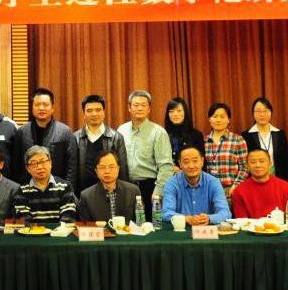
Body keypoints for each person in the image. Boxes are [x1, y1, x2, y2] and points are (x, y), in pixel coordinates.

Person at [117, 90, 175, 220]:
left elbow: (166, 166)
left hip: (149, 187)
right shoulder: (121, 130)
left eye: (143, 105)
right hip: (126, 186)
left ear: (149, 109)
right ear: (129, 108)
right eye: (136, 105)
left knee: (149, 226)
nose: (139, 108)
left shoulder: (158, 132)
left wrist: (159, 191)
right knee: (127, 225)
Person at [15, 87, 77, 183]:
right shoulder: (22, 132)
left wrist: (68, 188)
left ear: (52, 108)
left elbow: (72, 167)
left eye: (45, 104)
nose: (41, 108)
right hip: (28, 187)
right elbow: (16, 165)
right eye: (37, 104)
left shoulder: (65, 132)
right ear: (32, 108)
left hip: (58, 187)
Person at [73, 94, 130, 194]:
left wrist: (122, 194)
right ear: (84, 114)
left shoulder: (116, 137)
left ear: (104, 112)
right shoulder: (75, 138)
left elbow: (123, 171)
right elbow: (72, 171)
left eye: (98, 110)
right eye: (89, 110)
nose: (94, 114)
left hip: (110, 191)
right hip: (82, 193)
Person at [161, 145, 232, 225]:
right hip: (181, 230)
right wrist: (186, 219)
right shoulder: (172, 184)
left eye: (195, 161)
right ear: (180, 164)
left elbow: (226, 213)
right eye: (186, 162)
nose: (191, 166)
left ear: (202, 161)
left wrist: (209, 218)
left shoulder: (213, 183)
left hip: (206, 230)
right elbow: (166, 213)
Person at [11, 146, 77, 224]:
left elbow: (68, 217)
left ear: (50, 163)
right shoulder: (22, 191)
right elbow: (24, 220)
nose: (39, 167)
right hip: (32, 231)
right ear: (28, 168)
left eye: (42, 162)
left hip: (60, 231)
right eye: (34, 163)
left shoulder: (65, 187)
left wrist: (56, 230)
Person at [76, 149, 141, 222]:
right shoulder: (86, 196)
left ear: (118, 169)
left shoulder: (133, 191)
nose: (107, 171)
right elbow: (86, 226)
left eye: (111, 167)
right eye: (102, 167)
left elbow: (140, 221)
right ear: (96, 171)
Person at [230, 148, 288, 219]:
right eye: (253, 162)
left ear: (270, 163)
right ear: (247, 166)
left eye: (262, 161)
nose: (258, 165)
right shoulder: (239, 191)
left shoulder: (285, 187)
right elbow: (241, 222)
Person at [241, 97, 288, 184]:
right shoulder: (246, 135)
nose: (262, 114)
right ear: (253, 114)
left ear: (271, 112)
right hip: (255, 181)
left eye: (266, 111)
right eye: (258, 111)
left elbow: (287, 163)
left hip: (278, 180)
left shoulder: (279, 134)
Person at [203, 103, 249, 194]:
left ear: (228, 120)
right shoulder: (204, 141)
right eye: (215, 116)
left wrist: (236, 186)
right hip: (209, 190)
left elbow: (245, 167)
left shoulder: (238, 140)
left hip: (230, 189)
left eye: (222, 116)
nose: (218, 120)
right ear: (209, 119)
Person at [163, 97, 205, 172]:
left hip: (192, 175)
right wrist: (171, 168)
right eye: (171, 111)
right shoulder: (162, 135)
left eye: (179, 111)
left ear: (185, 112)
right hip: (168, 176)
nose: (175, 114)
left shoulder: (196, 135)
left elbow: (202, 161)